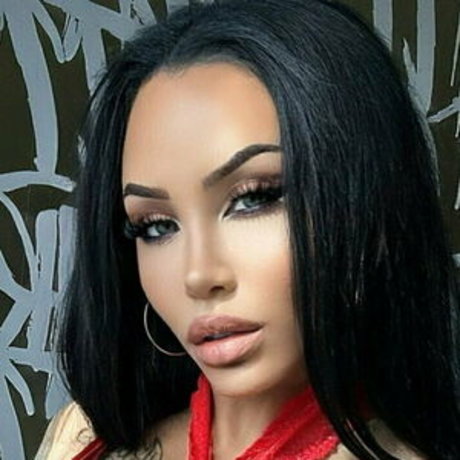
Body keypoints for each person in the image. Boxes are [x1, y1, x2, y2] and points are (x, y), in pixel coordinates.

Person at [35, 0, 460, 458]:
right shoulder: (79, 438)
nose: (198, 275)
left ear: (369, 205)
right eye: (156, 226)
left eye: (254, 199)